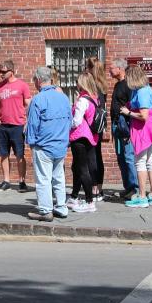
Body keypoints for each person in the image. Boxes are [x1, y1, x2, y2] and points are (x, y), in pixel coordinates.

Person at [25, 66, 72, 221]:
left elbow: (32, 125)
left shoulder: (38, 99)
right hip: (60, 144)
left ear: (38, 80)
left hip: (44, 145)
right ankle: (61, 207)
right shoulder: (64, 97)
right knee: (59, 177)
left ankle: (46, 211)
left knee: (43, 179)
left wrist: (31, 143)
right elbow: (69, 121)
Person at [120, 65, 152, 208]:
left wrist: (127, 112)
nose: (126, 79)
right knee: (150, 161)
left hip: (143, 129)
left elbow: (143, 116)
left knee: (140, 162)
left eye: (127, 77)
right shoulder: (144, 89)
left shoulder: (142, 92)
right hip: (150, 128)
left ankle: (142, 196)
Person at [0, 59, 32, 191]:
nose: (1, 74)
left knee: (19, 154)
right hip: (2, 125)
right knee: (4, 154)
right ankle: (6, 181)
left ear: (12, 71)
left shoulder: (22, 85)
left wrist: (27, 120)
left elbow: (28, 104)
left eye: (3, 72)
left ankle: (22, 182)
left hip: (18, 125)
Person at [66, 72, 101, 213]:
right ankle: (74, 196)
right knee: (77, 167)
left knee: (82, 169)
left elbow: (76, 121)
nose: (76, 84)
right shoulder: (94, 98)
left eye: (77, 81)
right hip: (91, 137)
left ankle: (89, 201)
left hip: (79, 137)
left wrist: (66, 124)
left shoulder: (82, 100)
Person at [109, 59, 138, 200]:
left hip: (125, 126)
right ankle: (127, 187)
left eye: (112, 68)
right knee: (121, 158)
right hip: (116, 126)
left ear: (120, 69)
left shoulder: (128, 85)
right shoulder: (117, 85)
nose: (109, 70)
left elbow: (132, 106)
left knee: (128, 157)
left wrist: (128, 125)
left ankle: (134, 188)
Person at [85, 56, 108, 201]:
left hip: (91, 125)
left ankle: (94, 188)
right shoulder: (102, 84)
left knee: (92, 157)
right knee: (98, 156)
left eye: (86, 67)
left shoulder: (92, 86)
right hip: (99, 125)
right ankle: (99, 188)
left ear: (90, 68)